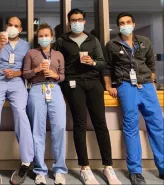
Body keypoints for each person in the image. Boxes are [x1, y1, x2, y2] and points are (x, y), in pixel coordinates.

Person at [53, 8, 121, 185]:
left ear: (84, 21)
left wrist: (93, 62)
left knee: (100, 124)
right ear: (69, 22)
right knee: (80, 123)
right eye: (73, 20)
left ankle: (108, 167)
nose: (77, 22)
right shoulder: (61, 41)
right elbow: (55, 62)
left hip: (93, 82)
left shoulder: (93, 40)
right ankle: (84, 168)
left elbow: (103, 63)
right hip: (73, 84)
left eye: (80, 19)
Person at [103, 12, 164, 185]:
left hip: (146, 86)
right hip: (126, 86)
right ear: (118, 26)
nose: (125, 25)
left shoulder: (144, 42)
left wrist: (151, 78)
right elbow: (107, 68)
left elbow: (151, 63)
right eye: (122, 23)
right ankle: (135, 171)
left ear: (134, 24)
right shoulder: (112, 45)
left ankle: (162, 166)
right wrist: (108, 86)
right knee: (131, 127)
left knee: (158, 125)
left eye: (128, 22)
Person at [0, 16, 34, 185]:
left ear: (21, 29)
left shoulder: (26, 46)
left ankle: (26, 162)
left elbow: (27, 69)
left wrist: (16, 74)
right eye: (10, 25)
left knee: (20, 113)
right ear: (5, 26)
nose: (12, 27)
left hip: (17, 81)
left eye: (16, 26)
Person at [23, 23, 67, 185]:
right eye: (40, 36)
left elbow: (63, 76)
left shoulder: (58, 55)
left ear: (52, 37)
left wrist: (55, 75)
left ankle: (60, 170)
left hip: (54, 89)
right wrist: (37, 70)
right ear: (37, 37)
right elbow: (25, 74)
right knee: (37, 130)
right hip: (36, 89)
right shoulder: (31, 53)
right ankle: (40, 170)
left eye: (46, 35)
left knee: (60, 128)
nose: (43, 38)